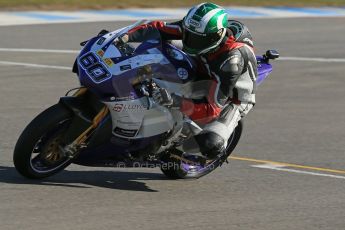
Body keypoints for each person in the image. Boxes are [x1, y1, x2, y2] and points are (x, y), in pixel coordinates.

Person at [125, 2, 257, 159]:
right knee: (157, 46)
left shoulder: (231, 62)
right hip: (204, 66)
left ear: (217, 36)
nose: (190, 41)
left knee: (210, 144)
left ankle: (177, 149)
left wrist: (174, 100)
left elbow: (211, 110)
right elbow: (157, 28)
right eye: (188, 34)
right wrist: (125, 37)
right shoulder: (198, 29)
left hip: (230, 97)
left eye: (197, 39)